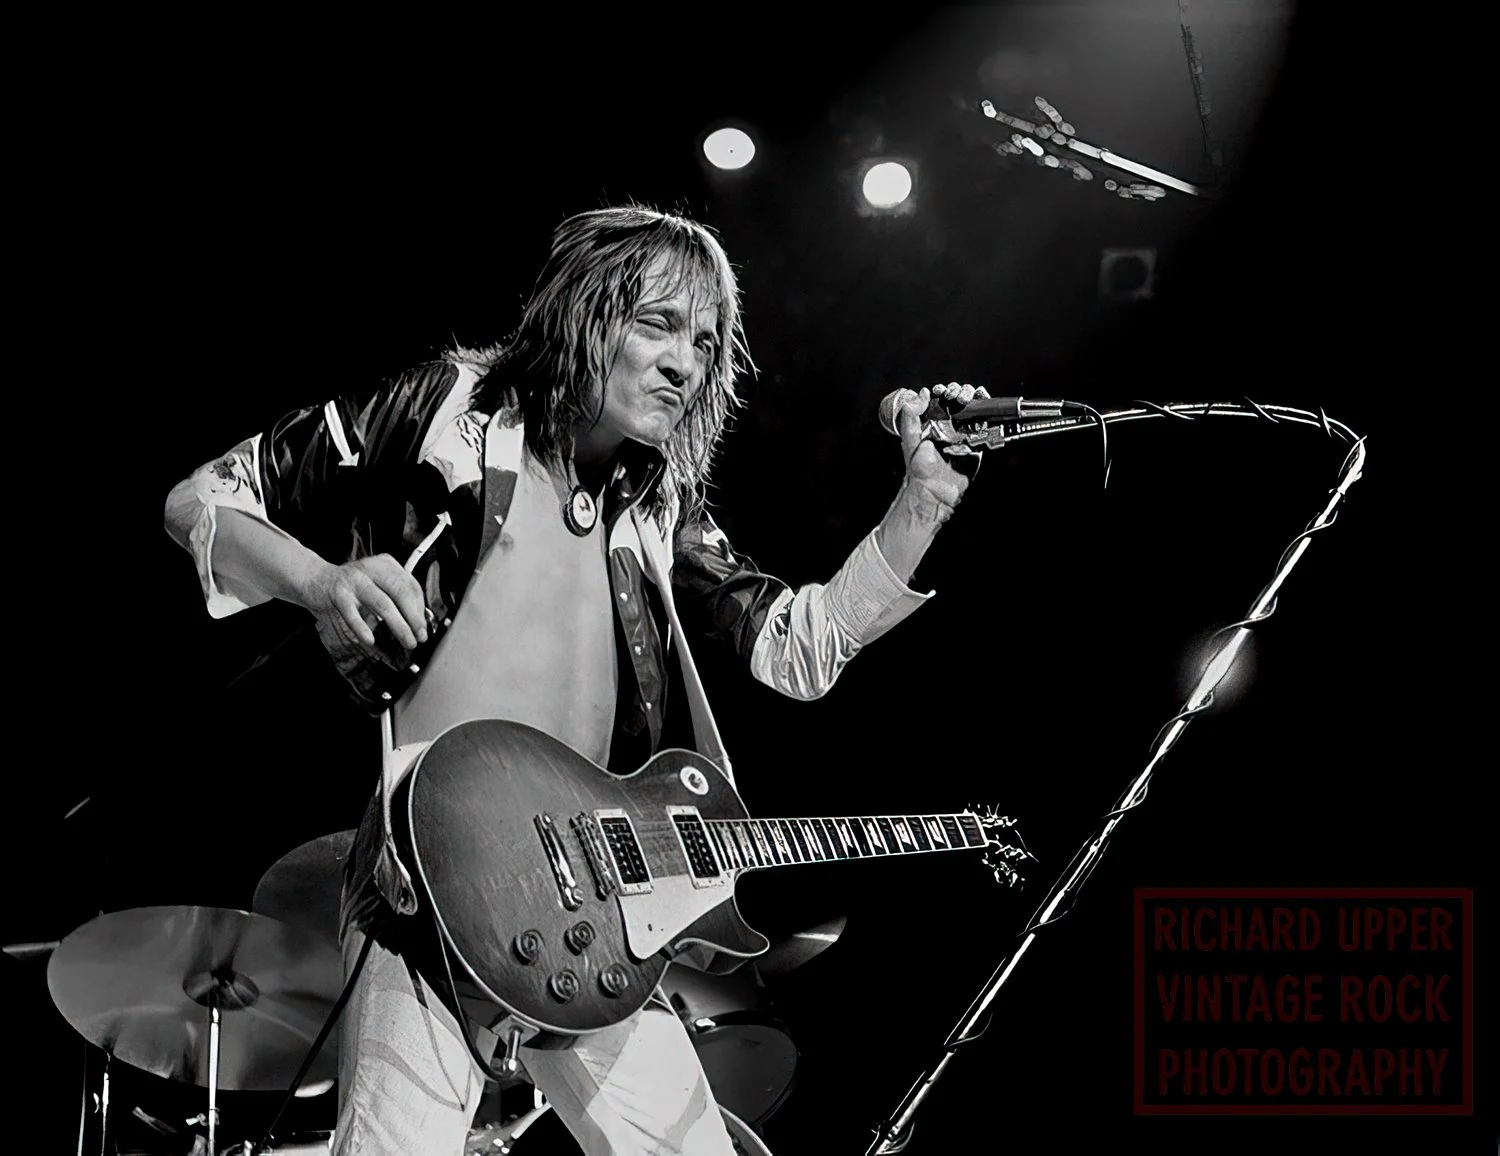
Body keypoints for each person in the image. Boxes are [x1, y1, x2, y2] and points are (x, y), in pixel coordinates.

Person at [163, 204, 985, 1156]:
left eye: (708, 341)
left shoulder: (659, 506)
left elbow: (795, 648)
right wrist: (321, 582)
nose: (688, 360)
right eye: (659, 324)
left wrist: (921, 500)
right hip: (427, 889)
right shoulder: (453, 409)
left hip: (591, 909)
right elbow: (202, 500)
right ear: (586, 316)